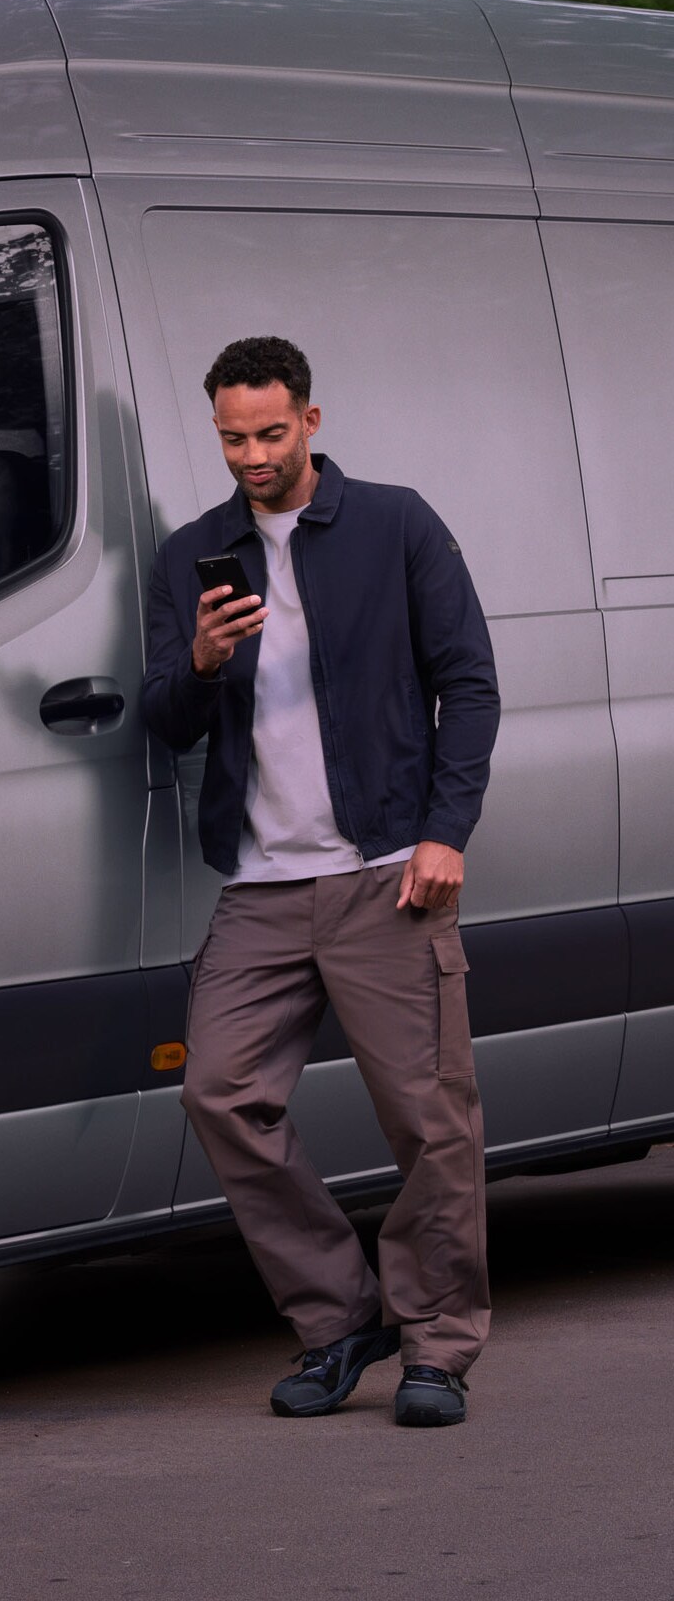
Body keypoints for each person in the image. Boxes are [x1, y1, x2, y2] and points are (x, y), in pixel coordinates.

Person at [142, 335, 500, 1428]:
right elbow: (160, 718)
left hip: (383, 872)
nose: (250, 455)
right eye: (230, 437)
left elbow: (468, 684)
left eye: (267, 432)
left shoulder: (395, 524)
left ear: (309, 419)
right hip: (260, 885)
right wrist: (199, 660)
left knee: (427, 1120)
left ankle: (435, 1345)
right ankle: (338, 1320)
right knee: (220, 1091)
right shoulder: (194, 553)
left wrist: (444, 833)